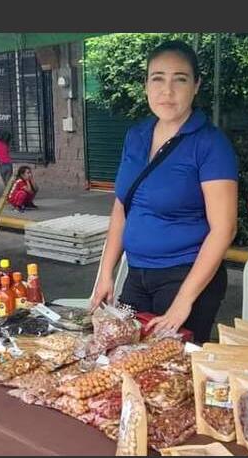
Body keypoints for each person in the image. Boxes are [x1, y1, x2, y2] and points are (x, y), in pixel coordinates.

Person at [90, 40, 239, 343]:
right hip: (137, 275)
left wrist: (183, 301)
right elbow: (122, 208)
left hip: (185, 277)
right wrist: (105, 274)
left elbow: (224, 229)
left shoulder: (210, 144)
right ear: (146, 85)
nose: (167, 91)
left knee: (170, 366)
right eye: (157, 78)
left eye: (179, 79)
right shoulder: (136, 136)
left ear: (196, 86)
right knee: (120, 354)